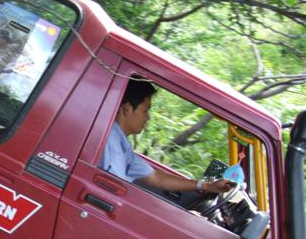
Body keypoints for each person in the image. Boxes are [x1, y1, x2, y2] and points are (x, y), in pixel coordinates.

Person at [100, 78, 234, 194]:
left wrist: (206, 186)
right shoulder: (110, 142)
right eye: (145, 110)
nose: (148, 117)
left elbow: (155, 177)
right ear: (127, 108)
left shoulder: (122, 144)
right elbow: (110, 191)